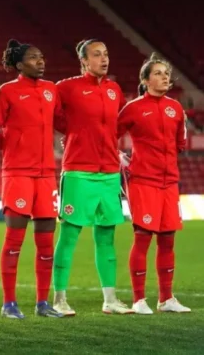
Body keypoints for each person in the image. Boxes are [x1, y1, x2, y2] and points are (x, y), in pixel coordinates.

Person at [52, 39, 134, 315]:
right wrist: (71, 132)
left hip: (109, 173)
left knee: (107, 238)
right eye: (97, 54)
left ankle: (110, 300)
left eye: (106, 53)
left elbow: (118, 124)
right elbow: (48, 112)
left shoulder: (114, 89)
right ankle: (59, 299)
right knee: (69, 235)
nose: (104, 59)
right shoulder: (67, 87)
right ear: (84, 61)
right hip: (79, 172)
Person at [0, 39, 63, 319]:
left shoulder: (51, 89)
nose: (41, 61)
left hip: (46, 175)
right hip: (18, 174)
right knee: (14, 241)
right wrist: (12, 146)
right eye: (34, 58)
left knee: (46, 244)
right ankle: (9, 303)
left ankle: (43, 303)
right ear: (20, 65)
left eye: (42, 56)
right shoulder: (7, 91)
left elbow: (63, 121)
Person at [118, 54, 191, 314]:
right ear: (146, 80)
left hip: (169, 182)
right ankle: (139, 299)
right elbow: (109, 134)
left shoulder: (176, 108)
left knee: (168, 239)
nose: (164, 77)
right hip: (143, 182)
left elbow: (180, 144)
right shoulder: (133, 108)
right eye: (158, 73)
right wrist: (119, 157)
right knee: (143, 237)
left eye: (166, 73)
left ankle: (166, 299)